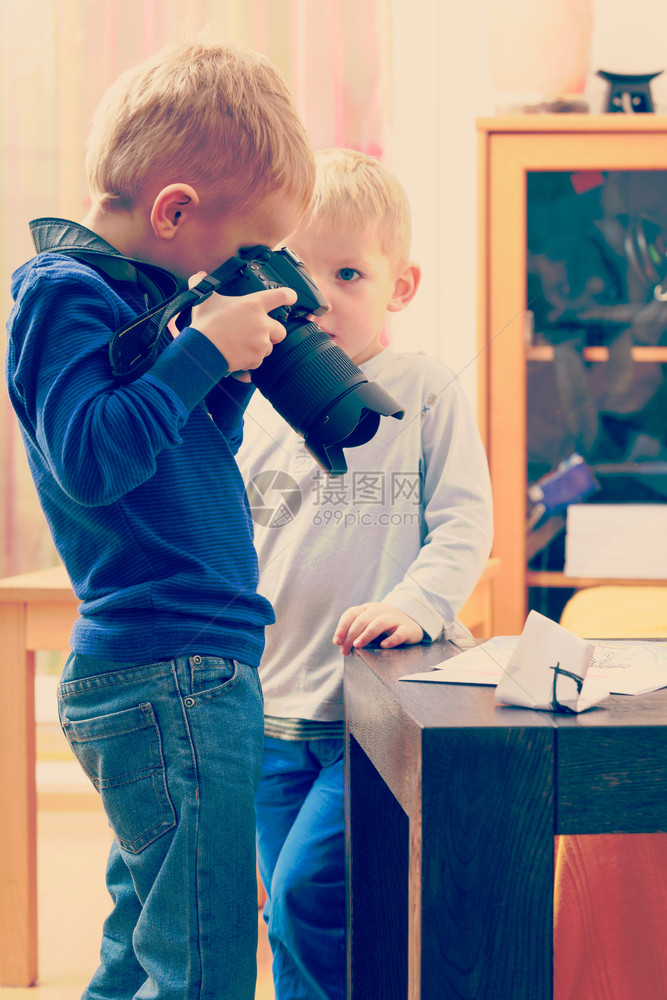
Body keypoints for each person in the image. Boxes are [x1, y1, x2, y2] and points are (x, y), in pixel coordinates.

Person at [5, 39, 315, 1000]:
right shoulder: (61, 294)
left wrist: (222, 376)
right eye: (235, 255)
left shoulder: (126, 307)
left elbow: (171, 459)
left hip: (180, 669)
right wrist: (197, 355)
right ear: (173, 209)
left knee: (148, 941)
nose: (237, 276)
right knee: (206, 954)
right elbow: (94, 460)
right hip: (166, 669)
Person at [237, 147, 494, 1000]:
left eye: (348, 272)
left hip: (373, 714)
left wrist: (416, 604)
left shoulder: (422, 390)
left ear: (402, 284)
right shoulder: (246, 400)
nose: (320, 297)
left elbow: (464, 522)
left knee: (315, 893)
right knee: (289, 910)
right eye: (299, 273)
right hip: (271, 713)